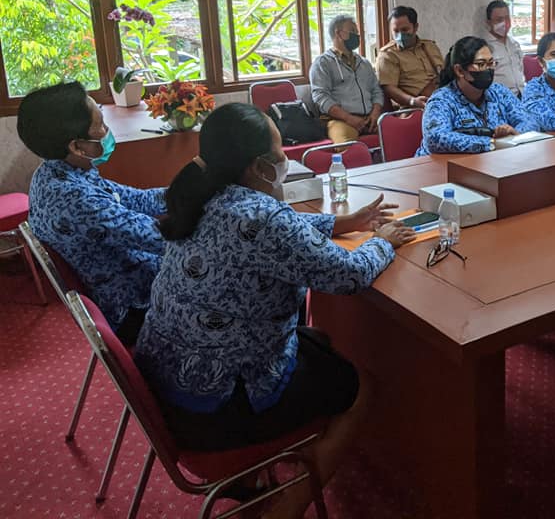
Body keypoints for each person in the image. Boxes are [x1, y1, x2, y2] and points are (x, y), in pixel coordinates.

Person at [136, 102, 415, 519]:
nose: (286, 158)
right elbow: (348, 275)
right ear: (258, 167)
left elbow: (278, 234)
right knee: (361, 387)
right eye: (280, 152)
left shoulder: (199, 194)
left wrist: (346, 222)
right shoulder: (260, 215)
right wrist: (384, 240)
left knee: (318, 341)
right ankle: (287, 507)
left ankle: (253, 477)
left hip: (169, 383)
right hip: (219, 405)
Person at [17, 81, 165, 344]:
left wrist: (191, 189)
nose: (107, 132)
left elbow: (138, 199)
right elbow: (160, 238)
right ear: (77, 146)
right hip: (134, 304)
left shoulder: (59, 172)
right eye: (100, 126)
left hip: (130, 275)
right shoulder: (73, 199)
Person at [416, 36, 538, 155]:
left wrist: (513, 135)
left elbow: (530, 121)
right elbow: (435, 137)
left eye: (491, 63)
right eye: (481, 64)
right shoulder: (442, 100)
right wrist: (492, 143)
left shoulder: (499, 92)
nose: (488, 69)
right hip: (440, 168)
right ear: (459, 71)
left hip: (491, 163)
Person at [310, 14, 383, 144]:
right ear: (338, 33)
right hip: (341, 121)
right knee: (348, 148)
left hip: (369, 118)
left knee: (396, 136)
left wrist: (375, 114)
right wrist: (348, 118)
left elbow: (376, 90)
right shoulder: (323, 63)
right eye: (353, 31)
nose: (357, 36)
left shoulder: (364, 63)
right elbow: (320, 97)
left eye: (357, 32)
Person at [376, 6, 445, 109]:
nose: (400, 35)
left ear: (415, 27)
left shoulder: (430, 47)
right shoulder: (387, 55)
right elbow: (389, 88)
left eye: (405, 30)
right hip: (415, 107)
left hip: (443, 99)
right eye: (396, 31)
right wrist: (412, 101)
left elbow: (444, 73)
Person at [485, 0, 526, 96]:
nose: (504, 23)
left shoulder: (514, 44)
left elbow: (520, 69)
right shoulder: (485, 47)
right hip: (500, 99)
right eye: (499, 20)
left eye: (507, 19)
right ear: (488, 22)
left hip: (521, 95)